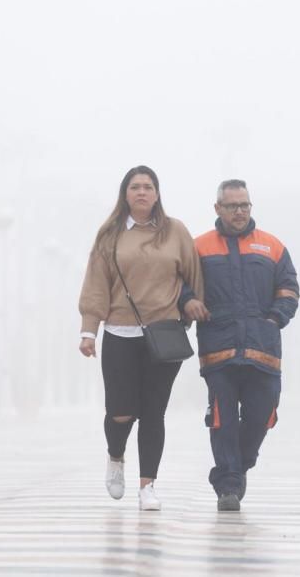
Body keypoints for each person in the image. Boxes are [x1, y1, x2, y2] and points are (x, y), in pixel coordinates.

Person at [78, 165, 209, 511]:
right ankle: (115, 456)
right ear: (125, 193)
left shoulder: (175, 231)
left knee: (154, 412)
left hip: (163, 335)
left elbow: (192, 277)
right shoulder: (110, 234)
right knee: (121, 410)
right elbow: (96, 285)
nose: (141, 192)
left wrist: (193, 303)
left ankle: (148, 485)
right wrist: (89, 330)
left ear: (157, 193)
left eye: (148, 187)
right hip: (120, 332)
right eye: (135, 186)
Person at [194, 179, 300, 511]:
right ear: (217, 209)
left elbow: (289, 288)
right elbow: (182, 286)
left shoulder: (272, 247)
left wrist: (274, 318)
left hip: (262, 349)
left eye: (244, 205)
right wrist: (188, 303)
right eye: (232, 206)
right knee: (223, 418)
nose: (239, 212)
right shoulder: (199, 248)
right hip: (219, 348)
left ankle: (240, 463)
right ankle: (228, 485)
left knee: (262, 413)